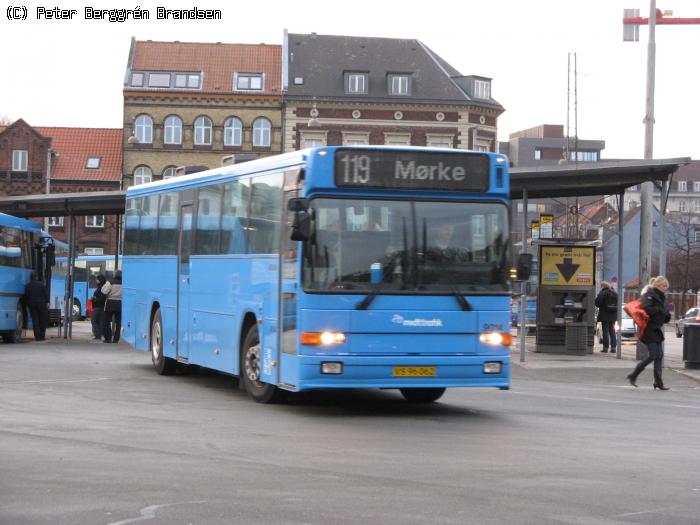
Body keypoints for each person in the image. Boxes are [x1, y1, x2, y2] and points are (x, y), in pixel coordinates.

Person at [626, 276, 672, 390]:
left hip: (656, 329)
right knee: (653, 355)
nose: (665, 288)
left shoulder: (662, 298)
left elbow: (664, 316)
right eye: (663, 286)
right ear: (657, 286)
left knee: (659, 356)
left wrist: (667, 315)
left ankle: (658, 382)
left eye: (667, 286)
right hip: (649, 329)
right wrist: (661, 311)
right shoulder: (649, 295)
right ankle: (633, 375)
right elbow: (646, 308)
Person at [24, 271, 49, 342]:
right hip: (41, 305)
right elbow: (46, 294)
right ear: (36, 277)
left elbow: (26, 296)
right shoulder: (41, 285)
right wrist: (47, 302)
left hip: (32, 306)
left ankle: (37, 337)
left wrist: (28, 305)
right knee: (42, 320)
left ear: (30, 278)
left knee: (35, 321)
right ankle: (42, 336)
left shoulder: (27, 286)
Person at [594, 281, 618, 353]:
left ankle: (606, 348)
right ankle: (613, 348)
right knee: (612, 331)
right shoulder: (614, 293)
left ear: (602, 286)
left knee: (605, 331)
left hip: (605, 314)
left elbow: (597, 303)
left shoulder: (603, 293)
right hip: (613, 315)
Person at [102, 271, 122, 344]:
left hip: (110, 303)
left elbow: (104, 291)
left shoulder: (110, 282)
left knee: (106, 321)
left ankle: (108, 338)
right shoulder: (124, 283)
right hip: (120, 303)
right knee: (118, 323)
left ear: (114, 275)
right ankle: (116, 339)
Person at [90, 275, 107, 342]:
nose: (96, 281)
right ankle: (99, 335)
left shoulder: (101, 289)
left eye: (97, 279)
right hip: (101, 307)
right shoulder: (102, 288)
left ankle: (98, 335)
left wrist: (94, 299)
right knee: (99, 321)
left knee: (93, 320)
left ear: (100, 280)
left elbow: (101, 299)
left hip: (98, 307)